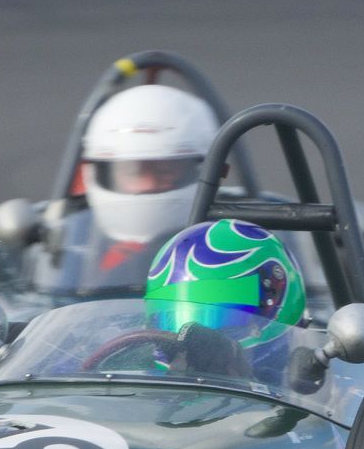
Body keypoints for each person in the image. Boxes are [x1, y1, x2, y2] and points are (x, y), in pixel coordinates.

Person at [142, 219, 308, 381]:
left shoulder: (325, 399)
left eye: (221, 318)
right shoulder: (136, 377)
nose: (188, 340)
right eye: (168, 321)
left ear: (277, 309)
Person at [78, 83, 220, 247]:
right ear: (99, 172)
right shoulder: (74, 245)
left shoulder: (230, 244)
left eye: (165, 170)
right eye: (133, 172)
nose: (148, 184)